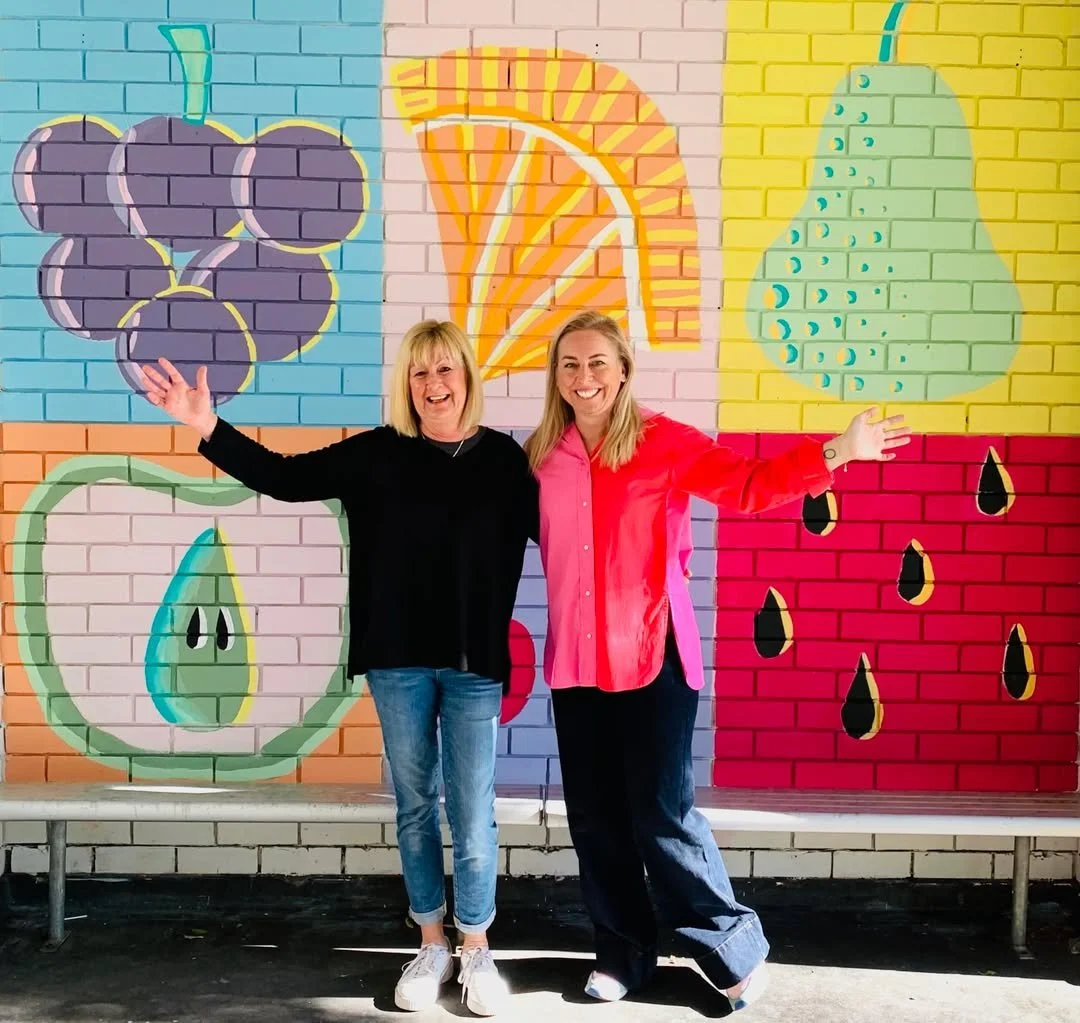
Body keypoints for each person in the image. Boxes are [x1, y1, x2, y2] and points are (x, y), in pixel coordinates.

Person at [136, 320, 538, 1017]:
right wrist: (207, 427)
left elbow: (565, 532)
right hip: (396, 662)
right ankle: (432, 942)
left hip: (473, 664)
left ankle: (476, 946)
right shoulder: (378, 452)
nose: (433, 385)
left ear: (467, 377)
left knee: (473, 811)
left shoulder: (504, 460)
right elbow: (285, 478)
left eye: (445, 369)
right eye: (419, 372)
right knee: (416, 806)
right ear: (405, 384)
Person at [524, 310, 911, 1010]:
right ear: (556, 375)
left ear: (623, 371)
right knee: (597, 820)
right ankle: (623, 953)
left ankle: (732, 947)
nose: (584, 377)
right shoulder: (543, 455)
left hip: (653, 655)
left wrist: (839, 450)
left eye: (598, 362)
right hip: (576, 664)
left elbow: (750, 485)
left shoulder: (663, 441)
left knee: (662, 816)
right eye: (570, 364)